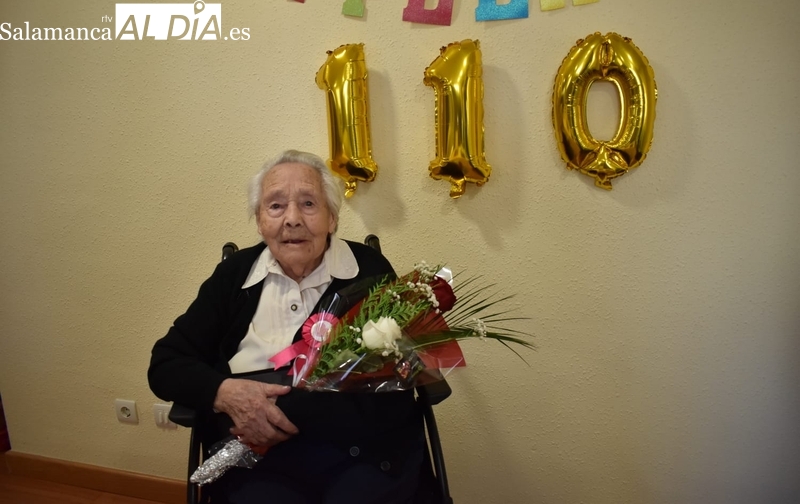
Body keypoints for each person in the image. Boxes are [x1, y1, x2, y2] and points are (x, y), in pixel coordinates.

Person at [148, 150, 425, 504]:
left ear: (332, 218)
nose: (292, 219)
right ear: (260, 220)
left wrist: (293, 410)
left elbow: (401, 377)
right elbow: (166, 364)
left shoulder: (368, 270)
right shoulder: (235, 276)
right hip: (258, 459)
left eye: (308, 203)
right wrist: (225, 394)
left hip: (359, 454)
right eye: (275, 206)